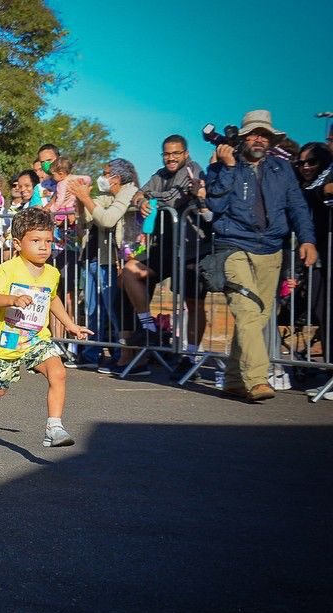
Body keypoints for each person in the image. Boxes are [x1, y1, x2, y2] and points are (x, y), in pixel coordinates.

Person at [205, 110, 317, 401]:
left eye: (264, 135)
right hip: (233, 246)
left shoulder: (282, 168)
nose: (259, 139)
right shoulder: (222, 165)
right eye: (253, 134)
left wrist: (307, 239)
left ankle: (232, 379)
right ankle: (257, 379)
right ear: (243, 138)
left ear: (270, 140)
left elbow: (298, 207)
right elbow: (215, 204)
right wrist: (227, 167)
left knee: (256, 318)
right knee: (247, 312)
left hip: (271, 249)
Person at [0, 207, 93, 448]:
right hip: (8, 341)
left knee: (58, 372)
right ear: (18, 243)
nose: (44, 246)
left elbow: (52, 298)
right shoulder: (8, 269)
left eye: (48, 241)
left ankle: (53, 427)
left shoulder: (52, 273)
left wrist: (70, 325)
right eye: (36, 241)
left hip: (37, 337)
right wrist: (12, 300)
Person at [135, 135, 212, 368]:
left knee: (194, 302)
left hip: (193, 247)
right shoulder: (158, 175)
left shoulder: (194, 171)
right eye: (167, 154)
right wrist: (141, 202)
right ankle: (148, 327)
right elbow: (139, 193)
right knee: (129, 272)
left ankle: (191, 356)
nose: (171, 158)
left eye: (176, 153)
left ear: (185, 154)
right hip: (164, 246)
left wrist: (157, 200)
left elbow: (178, 197)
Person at [72, 160, 137, 368]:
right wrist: (81, 200)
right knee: (93, 310)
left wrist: (85, 198)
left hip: (112, 260)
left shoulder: (129, 192)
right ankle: (91, 354)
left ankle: (122, 355)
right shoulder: (106, 195)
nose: (102, 176)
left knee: (113, 310)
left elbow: (107, 219)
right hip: (92, 256)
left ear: (117, 178)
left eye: (105, 173)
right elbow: (86, 218)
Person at [295, 142, 332, 398]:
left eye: (312, 162)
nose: (305, 167)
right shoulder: (315, 179)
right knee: (323, 311)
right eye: (302, 163)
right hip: (318, 250)